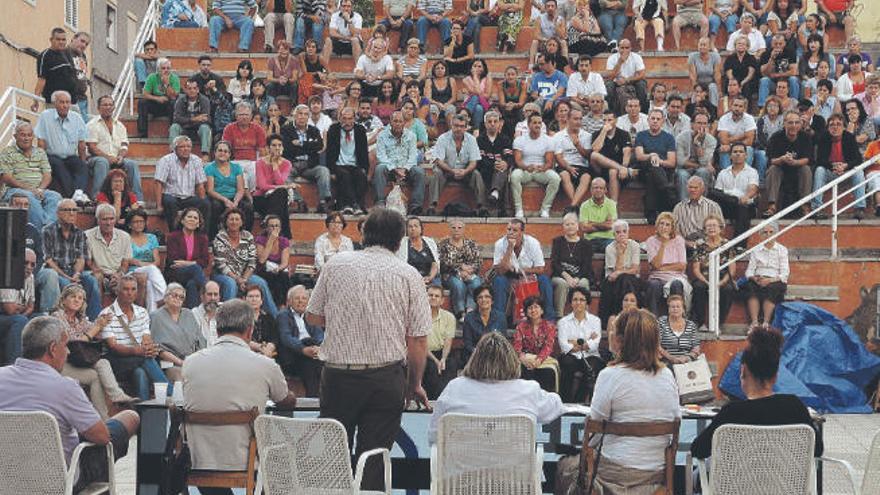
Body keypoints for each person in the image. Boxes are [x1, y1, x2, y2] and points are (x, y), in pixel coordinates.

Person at [305, 208, 431, 491]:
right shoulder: (409, 274)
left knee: (333, 459)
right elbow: (418, 339)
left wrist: (342, 316)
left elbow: (312, 316)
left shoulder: (336, 264)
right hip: (385, 378)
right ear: (400, 241)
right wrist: (415, 383)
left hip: (338, 375)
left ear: (362, 234)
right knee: (373, 460)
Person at [0, 317, 139, 492]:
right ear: (52, 349)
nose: (68, 352)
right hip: (58, 480)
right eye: (65, 346)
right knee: (129, 418)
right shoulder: (65, 387)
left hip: (7, 477)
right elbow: (102, 437)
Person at [183, 299, 297, 477]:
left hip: (199, 460)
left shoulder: (190, 363)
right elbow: (286, 401)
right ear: (250, 331)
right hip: (248, 459)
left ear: (217, 329)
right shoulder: (265, 365)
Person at [691, 327, 823, 459]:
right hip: (784, 479)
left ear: (743, 371)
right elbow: (817, 449)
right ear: (776, 375)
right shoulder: (795, 406)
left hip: (739, 479)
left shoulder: (731, 413)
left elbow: (698, 450)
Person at [587, 308, 681, 493]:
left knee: (566, 467)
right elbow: (675, 421)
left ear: (621, 340)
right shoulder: (667, 376)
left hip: (613, 473)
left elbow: (594, 433)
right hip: (656, 471)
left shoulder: (609, 375)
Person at [429, 331, 564, 443]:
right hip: (516, 475)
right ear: (511, 360)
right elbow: (556, 406)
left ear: (475, 359)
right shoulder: (529, 390)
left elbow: (433, 437)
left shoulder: (455, 387)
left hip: (462, 474)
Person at [53, 284, 135, 418]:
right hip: (62, 363)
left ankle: (117, 397)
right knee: (94, 376)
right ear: (63, 300)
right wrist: (96, 328)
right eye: (73, 296)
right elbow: (73, 344)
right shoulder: (57, 317)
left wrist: (105, 323)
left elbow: (98, 332)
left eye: (80, 298)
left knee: (103, 363)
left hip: (77, 362)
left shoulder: (81, 320)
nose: (77, 300)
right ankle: (103, 418)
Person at [100, 275, 168, 400]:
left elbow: (146, 337)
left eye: (133, 289)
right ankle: (171, 393)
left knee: (140, 373)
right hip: (117, 361)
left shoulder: (142, 312)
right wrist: (138, 351)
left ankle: (144, 412)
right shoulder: (106, 314)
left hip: (137, 360)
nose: (130, 293)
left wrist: (148, 348)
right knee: (145, 359)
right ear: (117, 291)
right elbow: (113, 346)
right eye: (126, 289)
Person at [37, 199, 101, 319]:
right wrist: (67, 277)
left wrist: (76, 273)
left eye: (74, 210)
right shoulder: (47, 231)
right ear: (58, 213)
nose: (72, 213)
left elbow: (81, 258)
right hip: (55, 273)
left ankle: (94, 321)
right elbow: (48, 260)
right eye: (67, 210)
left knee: (91, 280)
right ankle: (61, 319)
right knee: (67, 285)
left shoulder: (79, 233)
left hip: (73, 272)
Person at [212, 209, 279, 317]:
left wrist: (244, 279)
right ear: (226, 222)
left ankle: (276, 319)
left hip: (245, 275)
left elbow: (252, 261)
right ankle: (226, 319)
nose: (234, 222)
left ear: (242, 222)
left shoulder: (247, 236)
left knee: (261, 283)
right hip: (224, 275)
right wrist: (238, 279)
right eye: (231, 219)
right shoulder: (220, 237)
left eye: (237, 219)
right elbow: (221, 264)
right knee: (231, 284)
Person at [0, 121, 61, 231]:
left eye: (29, 135)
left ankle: (47, 230)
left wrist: (40, 189)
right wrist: (31, 190)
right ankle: (40, 233)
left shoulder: (40, 152)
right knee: (28, 197)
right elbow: (7, 177)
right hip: (16, 191)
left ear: (33, 136)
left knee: (55, 197)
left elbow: (47, 175)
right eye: (23, 135)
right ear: (15, 136)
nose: (26, 138)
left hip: (38, 190)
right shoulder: (7, 152)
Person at [492, 219, 556, 321]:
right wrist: (509, 248)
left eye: (515, 230)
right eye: (509, 229)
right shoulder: (500, 243)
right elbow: (500, 271)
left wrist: (519, 270)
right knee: (499, 281)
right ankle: (499, 322)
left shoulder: (533, 243)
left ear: (522, 232)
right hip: (508, 277)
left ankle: (549, 320)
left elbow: (540, 269)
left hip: (530, 276)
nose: (511, 233)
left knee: (544, 280)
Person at [86, 96, 144, 202]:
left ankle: (137, 200)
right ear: (98, 108)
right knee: (102, 162)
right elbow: (92, 147)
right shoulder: (92, 125)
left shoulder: (120, 126)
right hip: (96, 158)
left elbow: (124, 145)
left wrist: (121, 156)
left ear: (114, 107)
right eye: (105, 105)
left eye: (110, 105)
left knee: (132, 164)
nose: (108, 107)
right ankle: (98, 198)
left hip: (117, 159)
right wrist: (108, 158)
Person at [811, 113, 867, 219]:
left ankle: (859, 208)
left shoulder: (849, 137)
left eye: (838, 124)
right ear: (828, 127)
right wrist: (833, 166)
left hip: (846, 172)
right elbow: (819, 160)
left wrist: (845, 166)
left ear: (844, 127)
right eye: (832, 125)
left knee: (859, 172)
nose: (835, 127)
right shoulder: (824, 137)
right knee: (819, 170)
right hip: (830, 171)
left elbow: (858, 159)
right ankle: (817, 208)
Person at [34, 91, 89, 199]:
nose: (65, 105)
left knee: (81, 165)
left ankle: (78, 192)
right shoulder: (45, 116)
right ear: (55, 103)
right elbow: (41, 142)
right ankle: (72, 195)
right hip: (52, 156)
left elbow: (82, 144)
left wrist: (83, 161)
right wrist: (41, 161)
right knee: (58, 165)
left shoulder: (76, 118)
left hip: (70, 156)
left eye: (67, 102)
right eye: (62, 102)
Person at [429, 113, 484, 214]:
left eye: (462, 126)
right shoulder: (443, 138)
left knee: (476, 174)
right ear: (451, 125)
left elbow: (473, 161)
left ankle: (481, 207)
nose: (458, 129)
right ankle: (432, 207)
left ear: (466, 127)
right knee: (436, 173)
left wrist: (465, 171)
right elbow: (439, 160)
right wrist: (451, 170)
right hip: (447, 170)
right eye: (456, 126)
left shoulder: (471, 139)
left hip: (465, 171)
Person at [557, 286, 605, 402]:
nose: (578, 302)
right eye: (575, 299)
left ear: (587, 302)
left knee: (593, 366)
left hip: (590, 355)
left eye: (582, 299)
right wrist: (586, 341)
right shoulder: (563, 322)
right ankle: (566, 402)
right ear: (571, 302)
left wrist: (574, 342)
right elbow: (564, 346)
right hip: (571, 356)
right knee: (567, 363)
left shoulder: (595, 321)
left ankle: (580, 401)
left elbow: (595, 344)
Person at [153, 135, 212, 230]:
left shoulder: (196, 160)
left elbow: (200, 185)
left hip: (189, 197)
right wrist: (159, 206)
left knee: (206, 204)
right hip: (171, 196)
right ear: (175, 148)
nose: (186, 149)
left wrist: (202, 199)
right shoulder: (166, 160)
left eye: (188, 147)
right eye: (182, 147)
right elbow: (158, 183)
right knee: (170, 202)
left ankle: (202, 236)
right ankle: (176, 235)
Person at [150, 283, 205, 382]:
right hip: (170, 364)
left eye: (181, 297)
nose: (178, 298)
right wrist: (181, 363)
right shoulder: (156, 316)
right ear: (166, 297)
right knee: (181, 375)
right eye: (174, 295)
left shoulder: (188, 314)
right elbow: (159, 349)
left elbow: (199, 341)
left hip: (192, 361)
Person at [690, 214, 736, 330]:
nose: (711, 228)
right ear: (704, 230)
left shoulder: (727, 244)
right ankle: (701, 323)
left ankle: (718, 323)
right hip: (704, 276)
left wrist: (721, 282)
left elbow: (732, 269)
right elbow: (696, 269)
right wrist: (706, 282)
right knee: (698, 287)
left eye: (714, 225)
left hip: (722, 276)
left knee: (728, 289)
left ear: (720, 228)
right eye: (708, 226)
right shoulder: (699, 245)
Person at [277, 285, 324, 397]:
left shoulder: (310, 315)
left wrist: (317, 348)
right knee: (311, 363)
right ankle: (313, 399)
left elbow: (319, 335)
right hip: (294, 355)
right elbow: (286, 338)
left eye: (304, 298)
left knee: (321, 362)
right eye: (297, 298)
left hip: (312, 352)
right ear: (289, 301)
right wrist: (303, 349)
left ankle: (320, 398)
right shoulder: (283, 315)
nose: (301, 301)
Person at [373, 111, 424, 214]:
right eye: (395, 121)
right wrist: (394, 169)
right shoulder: (382, 136)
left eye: (400, 121)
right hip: (389, 169)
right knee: (379, 168)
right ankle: (380, 202)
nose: (398, 124)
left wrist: (405, 169)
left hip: (406, 169)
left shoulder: (411, 136)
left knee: (419, 172)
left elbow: (413, 156)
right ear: (390, 122)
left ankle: (415, 206)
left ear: (404, 123)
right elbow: (381, 156)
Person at [709, 142, 759, 247]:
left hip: (745, 206)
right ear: (730, 155)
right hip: (728, 206)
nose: (738, 154)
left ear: (746, 155)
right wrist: (734, 200)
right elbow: (718, 194)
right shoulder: (723, 173)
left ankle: (739, 246)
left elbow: (753, 189)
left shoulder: (752, 172)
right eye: (735, 152)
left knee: (743, 208)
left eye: (741, 152)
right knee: (712, 192)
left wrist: (746, 197)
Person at [765, 110, 813, 217]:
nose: (794, 126)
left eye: (797, 122)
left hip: (798, 169)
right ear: (784, 123)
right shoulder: (776, 137)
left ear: (801, 124)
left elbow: (807, 159)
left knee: (806, 169)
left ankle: (805, 206)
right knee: (773, 169)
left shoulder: (805, 137)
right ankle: (772, 206)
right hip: (780, 169)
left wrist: (794, 162)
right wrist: (782, 159)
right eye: (790, 123)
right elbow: (770, 160)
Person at [511, 113, 560, 219]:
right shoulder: (519, 140)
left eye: (539, 123)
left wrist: (543, 168)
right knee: (514, 176)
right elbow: (518, 160)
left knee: (555, 178)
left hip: (540, 171)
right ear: (528, 125)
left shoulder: (548, 140)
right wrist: (526, 167)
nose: (537, 125)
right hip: (525, 170)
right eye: (534, 123)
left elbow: (549, 162)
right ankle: (518, 209)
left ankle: (545, 209)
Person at [634, 109, 677, 224]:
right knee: (651, 169)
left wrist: (658, 162)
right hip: (644, 169)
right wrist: (651, 156)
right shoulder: (641, 135)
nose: (655, 121)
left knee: (652, 174)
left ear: (663, 121)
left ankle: (651, 212)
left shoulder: (669, 138)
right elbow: (639, 156)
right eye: (652, 118)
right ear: (648, 120)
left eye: (658, 119)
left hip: (662, 171)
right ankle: (667, 192)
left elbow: (671, 162)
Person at [644, 212, 691, 316]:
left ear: (672, 228)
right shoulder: (651, 241)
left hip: (676, 277)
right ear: (657, 225)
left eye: (667, 224)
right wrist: (663, 245)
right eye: (661, 223)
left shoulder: (679, 240)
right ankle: (654, 322)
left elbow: (682, 265)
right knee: (654, 285)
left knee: (676, 284)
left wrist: (663, 268)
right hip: (657, 277)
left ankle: (676, 319)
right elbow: (656, 265)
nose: (664, 227)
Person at [205, 140, 254, 238]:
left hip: (234, 197)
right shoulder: (209, 168)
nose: (222, 153)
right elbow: (210, 190)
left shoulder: (236, 167)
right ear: (215, 152)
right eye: (220, 150)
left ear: (230, 154)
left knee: (248, 206)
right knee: (215, 206)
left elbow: (241, 189)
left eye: (225, 151)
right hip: (217, 197)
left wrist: (235, 202)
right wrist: (225, 200)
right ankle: (213, 237)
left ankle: (245, 236)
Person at [85, 203, 132, 304]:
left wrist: (119, 275)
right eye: (105, 219)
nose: (108, 223)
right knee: (97, 277)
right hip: (100, 273)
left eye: (111, 219)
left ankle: (134, 316)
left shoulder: (125, 236)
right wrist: (104, 275)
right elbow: (89, 262)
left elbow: (125, 263)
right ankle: (97, 315)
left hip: (117, 273)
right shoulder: (87, 236)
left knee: (136, 280)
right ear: (98, 220)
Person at [745, 222, 789, 328]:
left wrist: (769, 280)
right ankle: (754, 322)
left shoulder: (782, 250)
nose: (768, 235)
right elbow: (749, 271)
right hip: (759, 278)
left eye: (771, 232)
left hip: (774, 279)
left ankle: (766, 322)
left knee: (772, 289)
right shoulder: (756, 250)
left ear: (776, 234)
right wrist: (754, 278)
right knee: (750, 287)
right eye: (765, 232)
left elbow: (785, 273)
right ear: (760, 235)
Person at [327, 107, 370, 214]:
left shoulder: (360, 130)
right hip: (338, 164)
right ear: (340, 119)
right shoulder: (333, 129)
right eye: (344, 119)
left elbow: (364, 152)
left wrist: (365, 168)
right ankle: (355, 204)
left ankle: (349, 205)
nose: (347, 122)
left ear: (354, 119)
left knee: (360, 175)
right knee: (345, 175)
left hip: (355, 164)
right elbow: (329, 152)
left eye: (350, 119)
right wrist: (331, 171)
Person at [599, 219, 642, 325]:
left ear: (628, 233)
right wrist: (620, 254)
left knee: (625, 279)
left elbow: (635, 269)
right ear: (614, 234)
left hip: (630, 278)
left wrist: (619, 272)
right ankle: (622, 316)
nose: (621, 234)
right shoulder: (610, 248)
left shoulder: (635, 245)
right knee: (622, 279)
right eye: (618, 232)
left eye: (624, 231)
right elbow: (613, 274)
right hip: (612, 280)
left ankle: (624, 315)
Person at [165, 207, 210, 309]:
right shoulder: (173, 237)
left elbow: (205, 261)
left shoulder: (202, 239)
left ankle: (193, 314)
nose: (192, 219)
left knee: (192, 284)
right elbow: (173, 260)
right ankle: (208, 296)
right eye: (189, 217)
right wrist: (194, 264)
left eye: (195, 218)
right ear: (182, 220)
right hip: (176, 273)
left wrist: (188, 263)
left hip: (194, 276)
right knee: (196, 268)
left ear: (198, 223)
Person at [438, 219, 483, 319]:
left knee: (476, 283)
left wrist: (470, 270)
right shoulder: (443, 244)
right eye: (453, 228)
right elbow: (443, 263)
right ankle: (460, 312)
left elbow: (478, 261)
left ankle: (470, 310)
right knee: (459, 285)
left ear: (464, 230)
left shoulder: (470, 243)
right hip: (450, 275)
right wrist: (460, 269)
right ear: (450, 229)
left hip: (470, 273)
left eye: (459, 228)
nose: (456, 230)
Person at [254, 134, 298, 235]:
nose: (277, 148)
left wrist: (274, 165)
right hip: (261, 199)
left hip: (277, 199)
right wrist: (284, 186)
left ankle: (269, 221)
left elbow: (280, 182)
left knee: (281, 193)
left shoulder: (287, 163)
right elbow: (262, 186)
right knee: (282, 202)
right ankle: (285, 237)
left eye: (279, 145)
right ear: (268, 148)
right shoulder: (260, 163)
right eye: (274, 145)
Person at [513, 296, 558, 392]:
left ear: (542, 310)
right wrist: (523, 359)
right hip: (526, 360)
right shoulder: (520, 326)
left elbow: (548, 347)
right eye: (530, 308)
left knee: (548, 372)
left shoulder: (550, 327)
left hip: (543, 361)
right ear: (526, 312)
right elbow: (517, 346)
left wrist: (538, 360)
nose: (533, 310)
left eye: (536, 307)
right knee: (522, 370)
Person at [550, 213, 593, 317]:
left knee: (583, 283)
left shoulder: (586, 244)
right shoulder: (558, 241)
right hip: (560, 276)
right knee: (562, 284)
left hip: (580, 276)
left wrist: (577, 279)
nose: (570, 227)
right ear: (563, 227)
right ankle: (559, 315)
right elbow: (554, 263)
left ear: (577, 226)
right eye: (567, 224)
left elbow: (586, 266)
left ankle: (584, 314)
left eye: (572, 224)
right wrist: (567, 277)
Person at [126, 210, 167, 314]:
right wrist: (140, 264)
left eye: (141, 221)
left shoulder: (152, 238)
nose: (139, 224)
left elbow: (157, 261)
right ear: (130, 224)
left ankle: (152, 315)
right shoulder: (126, 238)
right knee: (152, 268)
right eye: (135, 222)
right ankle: (166, 295)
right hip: (132, 272)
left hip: (150, 272)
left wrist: (140, 263)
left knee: (149, 284)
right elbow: (127, 259)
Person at [222, 103, 266, 191]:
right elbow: (225, 149)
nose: (244, 117)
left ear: (251, 116)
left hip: (252, 161)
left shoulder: (258, 129)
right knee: (240, 175)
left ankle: (253, 196)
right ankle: (245, 197)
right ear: (236, 116)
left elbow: (262, 150)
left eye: (246, 114)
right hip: (235, 161)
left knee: (255, 171)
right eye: (241, 114)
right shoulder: (229, 128)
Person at [476, 110, 514, 214]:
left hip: (500, 170)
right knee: (501, 172)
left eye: (495, 121)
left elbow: (510, 156)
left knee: (503, 170)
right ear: (485, 124)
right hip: (485, 171)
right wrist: (494, 164)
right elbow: (479, 159)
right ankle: (504, 207)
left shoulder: (505, 139)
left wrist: (506, 163)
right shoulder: (479, 140)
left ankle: (496, 193)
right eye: (489, 121)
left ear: (499, 123)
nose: (492, 124)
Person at [590, 111, 632, 202]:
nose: (607, 122)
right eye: (604, 120)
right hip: (600, 169)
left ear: (616, 120)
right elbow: (595, 150)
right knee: (593, 155)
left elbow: (627, 152)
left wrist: (624, 166)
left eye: (610, 120)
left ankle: (614, 205)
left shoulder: (624, 134)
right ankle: (619, 168)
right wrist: (604, 131)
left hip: (619, 171)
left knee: (613, 171)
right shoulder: (597, 134)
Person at [423, 285, 456, 399]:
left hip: (442, 352)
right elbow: (421, 344)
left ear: (442, 300)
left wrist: (443, 358)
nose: (433, 298)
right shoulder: (419, 316)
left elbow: (448, 341)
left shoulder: (449, 317)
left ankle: (446, 400)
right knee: (431, 366)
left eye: (437, 296)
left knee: (450, 364)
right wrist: (436, 360)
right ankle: (433, 401)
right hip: (424, 353)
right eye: (430, 295)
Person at [675, 112, 717, 202]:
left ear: (708, 125)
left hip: (700, 168)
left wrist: (697, 144)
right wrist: (699, 165)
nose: (702, 126)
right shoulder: (681, 137)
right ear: (692, 124)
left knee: (703, 172)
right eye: (699, 123)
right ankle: (685, 205)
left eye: (704, 123)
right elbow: (680, 161)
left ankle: (701, 203)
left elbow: (704, 162)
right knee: (682, 175)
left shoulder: (711, 140)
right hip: (684, 168)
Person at [33, 28, 78, 112]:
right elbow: (41, 80)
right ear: (51, 40)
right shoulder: (45, 55)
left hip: (72, 102)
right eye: (58, 39)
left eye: (63, 39)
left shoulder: (67, 53)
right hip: (55, 103)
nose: (61, 42)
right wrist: (36, 100)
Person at [672, 176, 723, 247]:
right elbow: (674, 230)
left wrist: (708, 242)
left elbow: (721, 227)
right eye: (690, 187)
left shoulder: (713, 206)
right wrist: (685, 242)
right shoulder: (678, 208)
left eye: (696, 188)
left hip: (708, 245)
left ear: (702, 189)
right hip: (686, 245)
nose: (692, 190)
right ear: (687, 189)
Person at [461, 285, 508, 363]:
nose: (484, 299)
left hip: (495, 356)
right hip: (475, 356)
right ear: (476, 300)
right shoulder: (469, 318)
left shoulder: (501, 317)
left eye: (487, 297)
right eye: (480, 297)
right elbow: (467, 343)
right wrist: (479, 353)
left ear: (492, 300)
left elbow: (503, 341)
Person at [169, 79, 213, 160]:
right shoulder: (180, 100)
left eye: (194, 88)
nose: (192, 91)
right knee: (174, 127)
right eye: (189, 88)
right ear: (185, 90)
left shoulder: (204, 100)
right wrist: (194, 119)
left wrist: (187, 120)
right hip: (184, 128)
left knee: (205, 128)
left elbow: (206, 119)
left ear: (198, 89)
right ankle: (173, 155)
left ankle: (205, 155)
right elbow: (176, 118)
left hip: (198, 129)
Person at [137, 58, 180, 139]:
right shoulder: (152, 77)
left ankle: (173, 132)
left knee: (174, 103)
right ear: (158, 69)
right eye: (163, 68)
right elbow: (145, 94)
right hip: (155, 104)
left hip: (169, 106)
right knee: (142, 102)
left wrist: (166, 84)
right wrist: (157, 98)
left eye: (168, 68)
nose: (166, 70)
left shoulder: (174, 78)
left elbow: (174, 96)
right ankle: (142, 133)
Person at [758, 34, 799, 108]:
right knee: (764, 80)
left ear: (785, 43)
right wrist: (771, 59)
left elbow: (794, 71)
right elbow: (763, 73)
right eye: (775, 44)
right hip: (773, 83)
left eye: (780, 43)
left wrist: (777, 75)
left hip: (787, 82)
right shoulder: (765, 54)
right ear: (771, 44)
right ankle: (762, 107)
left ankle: (794, 105)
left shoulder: (790, 52)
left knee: (793, 79)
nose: (778, 46)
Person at [657, 294, 701, 364]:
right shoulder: (661, 323)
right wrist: (672, 358)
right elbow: (657, 345)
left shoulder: (691, 325)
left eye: (678, 306)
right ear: (668, 309)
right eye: (672, 307)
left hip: (687, 363)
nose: (675, 309)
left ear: (683, 309)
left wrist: (686, 358)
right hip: (666, 362)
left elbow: (696, 348)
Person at [396, 216, 440, 285]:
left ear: (421, 229)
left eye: (416, 226)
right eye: (410, 226)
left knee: (436, 289)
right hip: (409, 278)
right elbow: (400, 266)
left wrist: (430, 277)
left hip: (430, 277)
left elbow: (435, 263)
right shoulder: (401, 243)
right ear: (406, 229)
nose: (413, 229)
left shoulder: (430, 242)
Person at [717, 96, 756, 170]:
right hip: (728, 148)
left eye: (740, 106)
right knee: (723, 149)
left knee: (749, 149)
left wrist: (731, 144)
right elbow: (724, 141)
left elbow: (749, 141)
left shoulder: (749, 119)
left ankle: (745, 173)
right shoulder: (724, 119)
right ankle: (726, 176)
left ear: (745, 109)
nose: (737, 108)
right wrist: (743, 135)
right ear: (731, 106)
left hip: (740, 147)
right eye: (735, 105)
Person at [245, 285, 280, 362]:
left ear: (261, 300)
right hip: (247, 355)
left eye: (257, 296)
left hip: (267, 354)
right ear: (244, 299)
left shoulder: (268, 317)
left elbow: (275, 337)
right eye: (250, 296)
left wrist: (270, 348)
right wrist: (260, 347)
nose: (254, 299)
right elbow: (240, 339)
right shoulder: (239, 318)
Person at [723, 36, 760, 102]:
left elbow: (750, 75)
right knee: (728, 84)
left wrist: (742, 84)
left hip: (747, 81)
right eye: (739, 43)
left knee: (747, 86)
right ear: (735, 46)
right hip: (734, 80)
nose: (741, 45)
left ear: (747, 47)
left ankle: (746, 107)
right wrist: (735, 85)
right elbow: (729, 74)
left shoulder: (751, 58)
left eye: (743, 44)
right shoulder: (730, 58)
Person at [193, 281, 221, 346]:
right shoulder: (194, 314)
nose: (213, 298)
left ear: (219, 297)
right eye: (209, 294)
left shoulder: (225, 312)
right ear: (202, 296)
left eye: (216, 294)